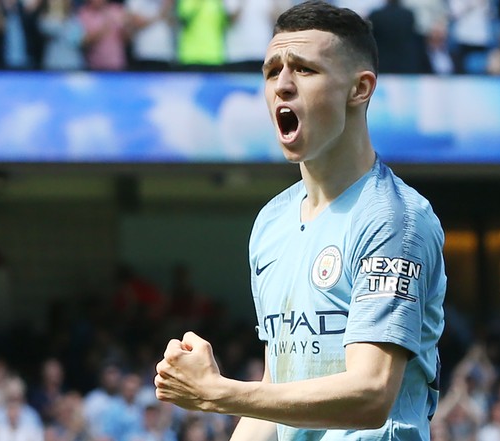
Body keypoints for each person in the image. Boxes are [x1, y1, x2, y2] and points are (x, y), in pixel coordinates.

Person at [155, 2, 447, 441]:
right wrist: (224, 397)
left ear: (360, 89)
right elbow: (279, 387)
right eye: (272, 71)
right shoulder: (271, 222)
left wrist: (218, 393)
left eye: (305, 70)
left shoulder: (393, 218)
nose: (282, 86)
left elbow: (370, 394)